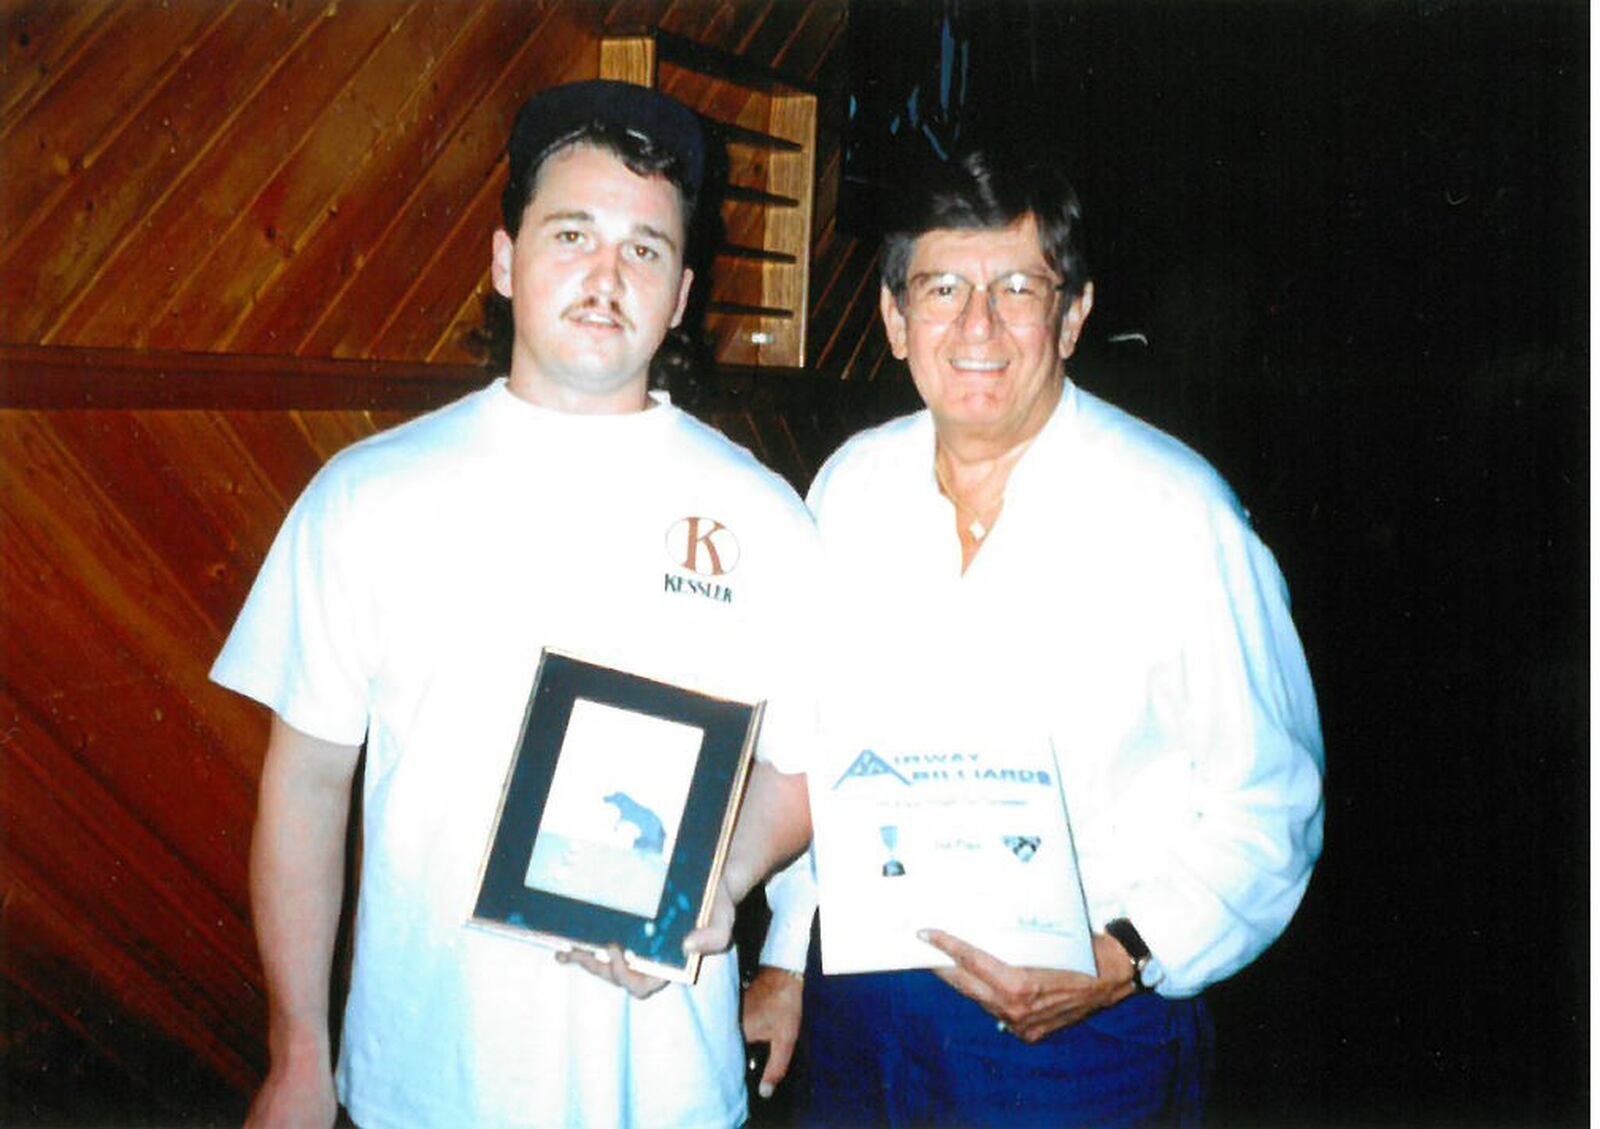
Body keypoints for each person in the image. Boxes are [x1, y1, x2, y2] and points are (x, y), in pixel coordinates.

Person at [213, 80, 817, 1129]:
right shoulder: (367, 495)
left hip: (666, 1086)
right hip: (422, 1081)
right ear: (504, 261)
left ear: (681, 297)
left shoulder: (761, 514)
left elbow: (805, 763)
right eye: (571, 232)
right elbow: (306, 787)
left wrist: (720, 878)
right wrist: (298, 1053)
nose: (605, 276)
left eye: (645, 248)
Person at [741, 149, 1325, 1126]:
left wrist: (1124, 955)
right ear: (894, 318)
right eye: (941, 288)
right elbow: (814, 743)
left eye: (1016, 286)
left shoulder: (1177, 514)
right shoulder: (850, 488)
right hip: (859, 1008)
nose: (977, 325)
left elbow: (1273, 803)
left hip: (1077, 1035)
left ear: (1072, 313)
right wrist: (783, 955)